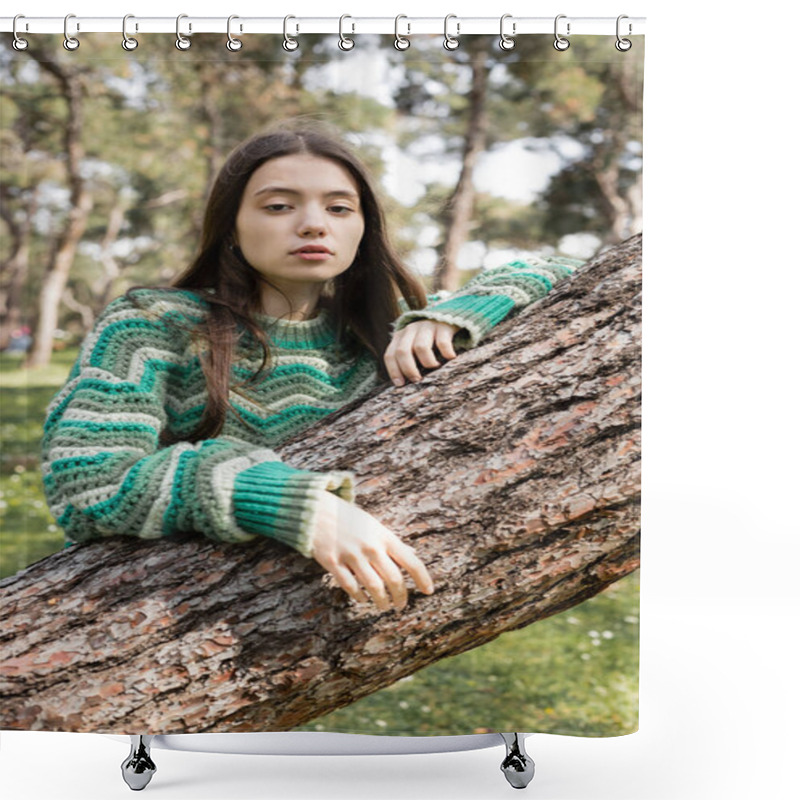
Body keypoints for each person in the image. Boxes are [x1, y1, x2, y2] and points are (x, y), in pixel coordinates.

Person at [40, 122, 581, 615]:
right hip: (142, 613)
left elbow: (568, 269)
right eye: (279, 207)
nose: (313, 224)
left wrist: (457, 312)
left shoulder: (384, 333)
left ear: (363, 230)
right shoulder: (153, 323)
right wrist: (297, 504)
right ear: (232, 226)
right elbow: (88, 480)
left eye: (339, 209)